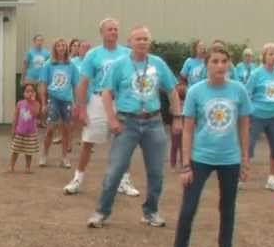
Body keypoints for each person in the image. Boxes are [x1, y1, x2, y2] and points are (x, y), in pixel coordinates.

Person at [172, 43, 251, 247]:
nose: (219, 66)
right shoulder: (196, 92)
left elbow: (245, 126)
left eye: (223, 62)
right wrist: (186, 165)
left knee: (228, 211)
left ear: (229, 65)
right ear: (205, 66)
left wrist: (245, 159)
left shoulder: (238, 91)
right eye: (214, 62)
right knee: (188, 210)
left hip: (230, 159)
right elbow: (187, 130)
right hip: (200, 159)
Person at [86, 25, 180, 228]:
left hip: (154, 122)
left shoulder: (158, 64)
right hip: (127, 122)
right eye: (138, 39)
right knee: (115, 170)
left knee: (156, 172)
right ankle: (101, 212)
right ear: (130, 42)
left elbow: (172, 90)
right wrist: (112, 120)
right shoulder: (119, 65)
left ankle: (151, 212)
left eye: (146, 39)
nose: (143, 42)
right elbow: (106, 92)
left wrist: (177, 116)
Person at [64, 19, 138, 197]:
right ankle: (77, 179)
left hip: (120, 102)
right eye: (110, 29)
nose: (114, 32)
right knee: (88, 142)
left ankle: (124, 181)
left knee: (123, 142)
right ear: (102, 33)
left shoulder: (128, 53)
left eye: (116, 29)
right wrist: (82, 108)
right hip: (97, 101)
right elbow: (83, 83)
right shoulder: (93, 55)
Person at [246, 43, 274, 191]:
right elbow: (247, 95)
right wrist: (246, 116)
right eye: (270, 54)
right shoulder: (256, 74)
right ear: (264, 56)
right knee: (249, 147)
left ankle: (271, 179)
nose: (273, 57)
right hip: (257, 116)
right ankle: (242, 176)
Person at [38, 38, 78, 168]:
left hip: (66, 100)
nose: (61, 48)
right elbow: (43, 84)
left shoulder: (71, 65)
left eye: (63, 45)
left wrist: (76, 103)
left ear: (66, 48)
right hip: (53, 98)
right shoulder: (48, 64)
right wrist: (44, 103)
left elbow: (75, 85)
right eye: (58, 45)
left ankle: (65, 157)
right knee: (50, 129)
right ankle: (44, 155)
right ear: (55, 48)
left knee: (66, 130)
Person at [9, 83, 41, 173]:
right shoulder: (20, 103)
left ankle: (27, 167)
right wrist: (13, 130)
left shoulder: (37, 104)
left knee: (29, 152)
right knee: (15, 150)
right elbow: (15, 117)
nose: (29, 93)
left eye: (32, 91)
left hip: (31, 133)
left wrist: (32, 102)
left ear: (35, 93)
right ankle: (11, 167)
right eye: (27, 91)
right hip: (19, 131)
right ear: (23, 93)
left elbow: (35, 113)